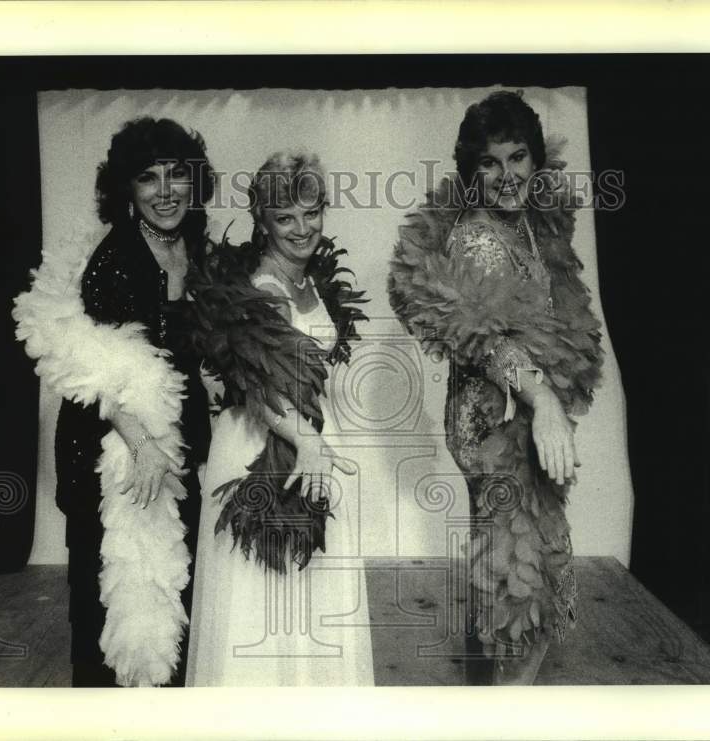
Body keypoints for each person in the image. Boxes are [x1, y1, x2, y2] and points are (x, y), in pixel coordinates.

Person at [388, 90, 604, 685]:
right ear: (470, 170)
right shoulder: (479, 239)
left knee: (506, 576)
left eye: (517, 159)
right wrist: (543, 400)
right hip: (494, 429)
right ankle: (505, 705)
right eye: (489, 162)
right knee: (518, 583)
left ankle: (495, 699)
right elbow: (477, 334)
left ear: (536, 162)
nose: (506, 176)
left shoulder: (532, 222)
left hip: (517, 418)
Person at [13, 116, 216, 687]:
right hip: (110, 443)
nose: (165, 191)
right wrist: (144, 443)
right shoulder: (117, 259)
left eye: (177, 175)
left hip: (169, 437)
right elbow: (95, 368)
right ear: (126, 189)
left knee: (171, 582)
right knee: (111, 590)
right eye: (148, 179)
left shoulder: (194, 246)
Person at [184, 151, 374, 686]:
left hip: (312, 435)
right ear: (261, 220)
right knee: (265, 588)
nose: (301, 228)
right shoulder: (261, 288)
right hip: (262, 443)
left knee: (310, 586)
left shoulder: (310, 281)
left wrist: (315, 440)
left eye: (310, 213)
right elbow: (255, 384)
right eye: (284, 216)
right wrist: (307, 441)